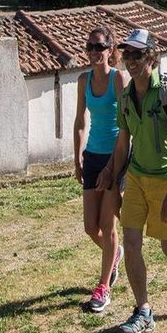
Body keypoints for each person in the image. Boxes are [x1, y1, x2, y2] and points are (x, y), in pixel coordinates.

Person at [99, 27, 167, 333]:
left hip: (165, 180)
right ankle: (143, 310)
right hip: (135, 178)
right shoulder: (125, 97)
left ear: (151, 57)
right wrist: (114, 177)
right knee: (131, 243)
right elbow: (122, 144)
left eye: (137, 54)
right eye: (126, 54)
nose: (130, 60)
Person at [74, 26, 124, 313]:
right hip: (92, 156)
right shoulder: (84, 80)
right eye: (90, 47)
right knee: (90, 227)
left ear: (110, 49)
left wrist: (113, 165)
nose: (94, 52)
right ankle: (114, 253)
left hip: (114, 158)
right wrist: (77, 158)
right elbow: (81, 121)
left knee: (107, 225)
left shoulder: (119, 79)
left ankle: (104, 287)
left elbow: (126, 126)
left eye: (99, 47)